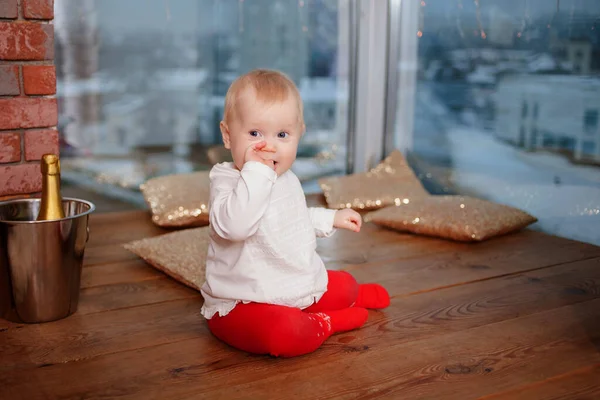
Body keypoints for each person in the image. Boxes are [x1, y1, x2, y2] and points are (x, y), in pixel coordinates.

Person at [200, 69, 390, 357]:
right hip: (242, 303)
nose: (269, 146)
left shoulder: (286, 179)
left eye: (282, 134)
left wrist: (331, 218)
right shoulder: (227, 182)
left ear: (299, 135)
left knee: (343, 284)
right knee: (282, 333)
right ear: (228, 136)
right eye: (254, 133)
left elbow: (292, 219)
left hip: (289, 286)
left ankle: (352, 296)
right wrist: (255, 173)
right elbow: (238, 226)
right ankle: (326, 323)